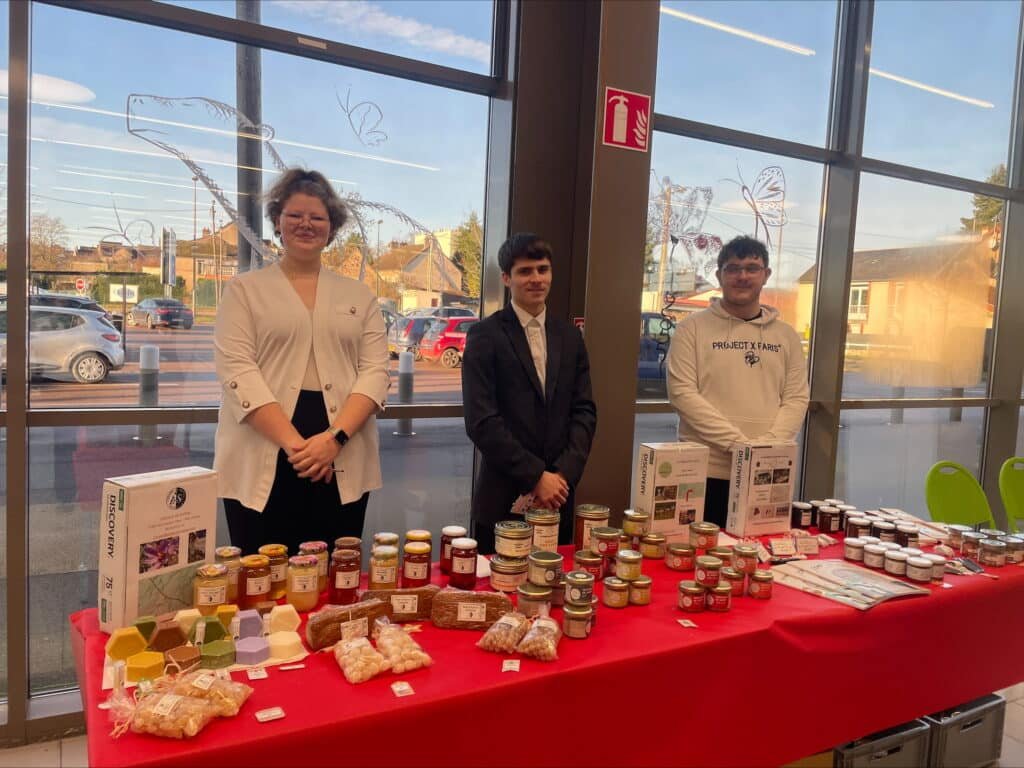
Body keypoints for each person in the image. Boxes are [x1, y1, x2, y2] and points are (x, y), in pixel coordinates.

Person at [214, 168, 389, 555]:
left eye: (317, 217)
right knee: (262, 574)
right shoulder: (244, 291)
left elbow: (376, 373)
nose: (305, 224)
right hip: (266, 446)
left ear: (332, 227)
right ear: (277, 221)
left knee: (334, 572)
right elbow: (238, 371)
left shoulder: (359, 295)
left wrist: (333, 440)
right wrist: (299, 448)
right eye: (294, 215)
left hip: (340, 451)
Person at [462, 233, 597, 554]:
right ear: (506, 278)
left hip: (558, 498)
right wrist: (536, 476)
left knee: (553, 578)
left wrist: (562, 475)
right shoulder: (484, 336)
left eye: (542, 269)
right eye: (525, 271)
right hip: (502, 498)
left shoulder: (570, 337)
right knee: (498, 582)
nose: (536, 278)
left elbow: (584, 411)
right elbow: (481, 421)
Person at [666, 235, 808, 528]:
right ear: (719, 275)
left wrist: (764, 449)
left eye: (752, 268)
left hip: (766, 474)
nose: (742, 276)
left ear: (766, 275)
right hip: (704, 473)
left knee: (759, 553)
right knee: (701, 553)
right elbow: (682, 394)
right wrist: (739, 446)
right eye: (733, 268)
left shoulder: (787, 337)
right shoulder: (691, 329)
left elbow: (796, 398)